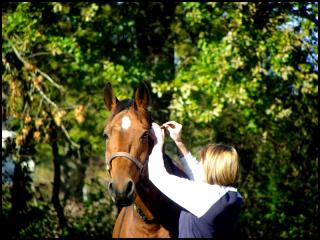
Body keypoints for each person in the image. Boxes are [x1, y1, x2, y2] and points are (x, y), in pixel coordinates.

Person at [148, 121, 243, 238]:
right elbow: (197, 173)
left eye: (202, 161)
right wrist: (178, 142)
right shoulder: (232, 195)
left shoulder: (205, 197)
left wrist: (158, 142)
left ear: (212, 168)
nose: (200, 163)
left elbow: (157, 176)